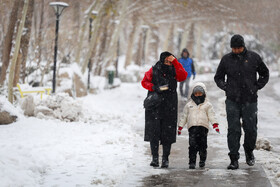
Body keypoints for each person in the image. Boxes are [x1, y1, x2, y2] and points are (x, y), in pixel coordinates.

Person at [214, 34, 269, 170]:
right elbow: (218, 77)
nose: (236, 50)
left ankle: (249, 152)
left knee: (250, 129)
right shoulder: (226, 59)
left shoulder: (254, 57)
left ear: (243, 46)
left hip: (250, 100)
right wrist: (226, 87)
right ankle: (234, 158)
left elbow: (264, 74)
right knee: (233, 130)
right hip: (232, 100)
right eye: (234, 48)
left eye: (238, 48)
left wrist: (256, 86)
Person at [141, 51, 187, 168]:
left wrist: (176, 62)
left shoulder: (175, 69)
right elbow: (144, 82)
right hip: (155, 104)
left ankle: (165, 159)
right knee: (154, 132)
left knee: (168, 133)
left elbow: (183, 76)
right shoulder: (154, 69)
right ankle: (155, 158)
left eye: (170, 61)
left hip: (169, 105)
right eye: (166, 61)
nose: (168, 63)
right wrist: (153, 87)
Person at [178, 82, 220, 169]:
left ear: (204, 93)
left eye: (200, 93)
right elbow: (184, 116)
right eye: (196, 93)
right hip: (192, 128)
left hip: (203, 128)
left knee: (203, 145)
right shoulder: (189, 105)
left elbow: (211, 115)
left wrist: (215, 124)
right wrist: (180, 126)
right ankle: (192, 162)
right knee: (192, 146)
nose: (198, 95)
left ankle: (202, 160)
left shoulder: (207, 105)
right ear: (193, 94)